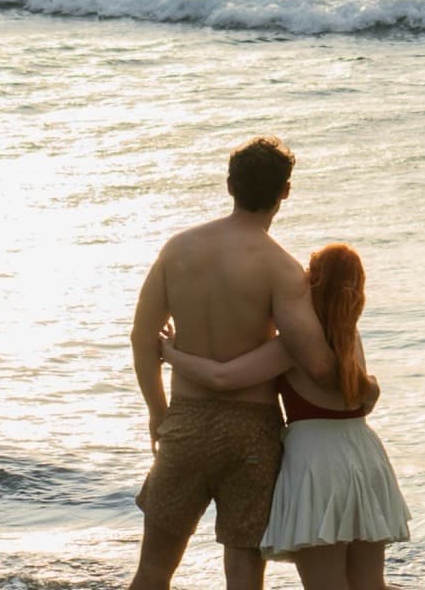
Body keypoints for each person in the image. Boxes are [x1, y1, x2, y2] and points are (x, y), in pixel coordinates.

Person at [129, 136, 341, 590]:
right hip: (252, 430)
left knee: (152, 570)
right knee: (244, 576)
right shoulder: (281, 268)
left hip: (185, 421)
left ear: (229, 185)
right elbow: (317, 363)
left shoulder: (178, 249)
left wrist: (157, 411)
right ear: (285, 192)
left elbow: (142, 338)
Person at [162, 242, 410, 590]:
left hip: (316, 467)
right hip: (364, 457)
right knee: (370, 584)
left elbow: (223, 377)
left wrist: (170, 354)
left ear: (311, 283)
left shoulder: (294, 345)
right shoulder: (351, 337)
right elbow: (364, 403)